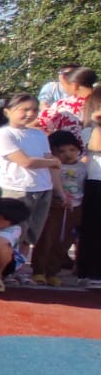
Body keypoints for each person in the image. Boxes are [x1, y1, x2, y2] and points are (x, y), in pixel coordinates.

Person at [0, 93, 61, 274]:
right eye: (24, 109)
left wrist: (59, 190)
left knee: (29, 236)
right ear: (7, 111)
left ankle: (18, 271)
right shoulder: (2, 135)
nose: (30, 113)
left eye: (34, 110)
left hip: (43, 189)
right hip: (16, 190)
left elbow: (51, 164)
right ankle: (1, 271)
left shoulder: (39, 135)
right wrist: (53, 162)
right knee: (9, 235)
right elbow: (26, 162)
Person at [33, 131, 87, 285]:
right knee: (46, 238)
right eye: (61, 151)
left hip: (75, 208)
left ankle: (53, 272)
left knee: (64, 242)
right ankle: (39, 271)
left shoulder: (83, 167)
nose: (68, 155)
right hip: (55, 207)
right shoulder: (52, 167)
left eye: (72, 150)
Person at [78, 91, 101, 289]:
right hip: (95, 182)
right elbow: (96, 146)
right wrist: (98, 123)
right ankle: (91, 271)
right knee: (94, 229)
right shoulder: (89, 131)